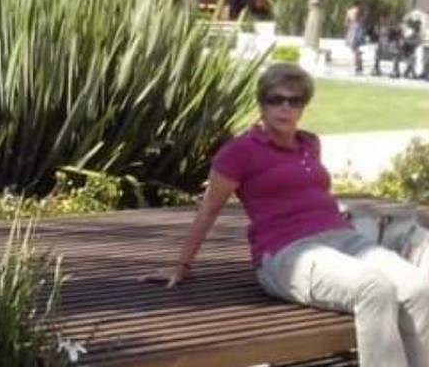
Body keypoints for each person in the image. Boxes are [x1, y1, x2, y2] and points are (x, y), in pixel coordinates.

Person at [140, 63, 429, 367]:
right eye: (276, 99)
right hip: (288, 254)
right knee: (373, 288)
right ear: (262, 103)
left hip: (343, 238)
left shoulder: (309, 144)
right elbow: (209, 209)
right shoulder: (240, 151)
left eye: (295, 101)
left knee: (418, 288)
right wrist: (181, 265)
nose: (285, 108)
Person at [345, 0, 366, 75]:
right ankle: (358, 65)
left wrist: (350, 26)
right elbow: (361, 21)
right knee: (355, 49)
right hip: (358, 29)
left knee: (354, 49)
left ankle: (358, 65)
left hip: (352, 29)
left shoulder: (349, 11)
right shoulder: (359, 11)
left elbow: (346, 22)